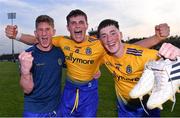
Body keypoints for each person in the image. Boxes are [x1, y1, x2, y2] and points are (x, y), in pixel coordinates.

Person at [5, 9, 170, 117]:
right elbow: (38, 39)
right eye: (73, 23)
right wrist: (17, 35)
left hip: (89, 92)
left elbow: (127, 48)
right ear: (68, 27)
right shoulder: (62, 41)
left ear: (86, 26)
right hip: (69, 89)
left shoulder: (99, 43)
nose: (77, 26)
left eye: (81, 22)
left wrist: (157, 38)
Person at [97, 19, 179, 117]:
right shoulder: (104, 55)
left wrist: (175, 53)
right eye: (104, 36)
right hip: (124, 106)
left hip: (148, 104)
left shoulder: (142, 55)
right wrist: (93, 70)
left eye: (113, 33)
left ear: (121, 35)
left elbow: (171, 59)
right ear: (100, 41)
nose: (109, 39)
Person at [18, 15, 65, 117]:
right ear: (35, 33)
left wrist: (94, 69)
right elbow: (27, 89)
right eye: (40, 30)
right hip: (34, 111)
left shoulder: (60, 52)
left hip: (57, 109)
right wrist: (25, 72)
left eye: (47, 29)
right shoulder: (28, 55)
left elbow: (76, 64)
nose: (44, 33)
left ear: (54, 32)